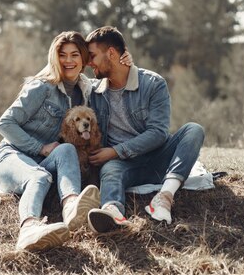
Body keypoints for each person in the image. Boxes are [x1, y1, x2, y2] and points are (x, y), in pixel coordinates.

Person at [0, 31, 131, 251]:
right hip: (14, 156)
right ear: (54, 58)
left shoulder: (86, 90)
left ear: (84, 59)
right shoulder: (41, 87)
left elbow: (115, 81)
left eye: (75, 55)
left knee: (66, 149)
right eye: (62, 55)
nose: (68, 61)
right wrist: (40, 147)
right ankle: (28, 230)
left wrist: (127, 63)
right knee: (39, 176)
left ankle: (71, 207)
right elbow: (4, 124)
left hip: (45, 160)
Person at [85, 26, 205, 233]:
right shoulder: (93, 91)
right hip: (123, 166)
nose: (89, 63)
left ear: (111, 53)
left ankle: (164, 198)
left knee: (194, 130)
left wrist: (115, 151)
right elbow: (65, 75)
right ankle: (112, 211)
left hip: (159, 157)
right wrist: (114, 156)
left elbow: (158, 133)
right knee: (110, 170)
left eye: (93, 56)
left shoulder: (153, 83)